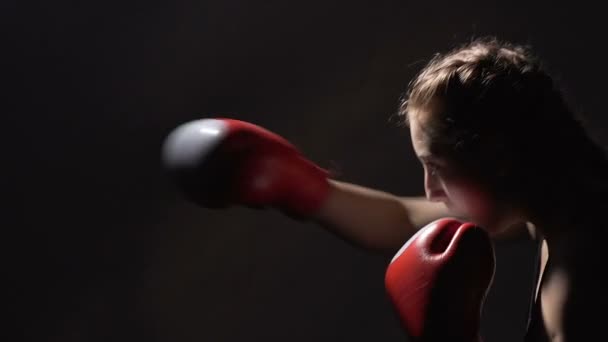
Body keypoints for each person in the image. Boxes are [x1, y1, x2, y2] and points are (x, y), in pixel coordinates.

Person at [161, 37, 608, 341]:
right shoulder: (561, 200)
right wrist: (302, 188)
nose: (431, 190)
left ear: (499, 160)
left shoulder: (583, 281)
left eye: (438, 168)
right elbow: (402, 218)